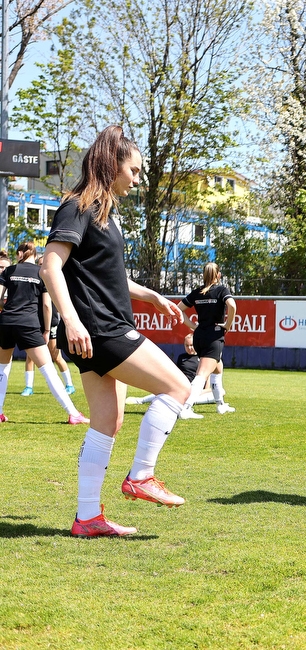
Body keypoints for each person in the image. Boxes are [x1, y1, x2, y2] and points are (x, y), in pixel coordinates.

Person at [41, 125, 192, 538]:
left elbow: (107, 277)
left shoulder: (107, 214)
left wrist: (151, 297)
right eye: (135, 171)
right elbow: (50, 264)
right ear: (112, 165)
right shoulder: (78, 206)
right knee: (179, 388)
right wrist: (70, 320)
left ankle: (87, 516)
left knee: (107, 422)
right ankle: (141, 476)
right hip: (100, 329)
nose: (138, 179)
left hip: (99, 329)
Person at [0, 241, 88, 424]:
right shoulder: (41, 273)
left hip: (6, 322)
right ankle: (73, 413)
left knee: (2, 369)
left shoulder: (9, 271)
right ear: (35, 254)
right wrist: (47, 329)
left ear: (20, 254)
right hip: (28, 324)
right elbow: (47, 305)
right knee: (48, 370)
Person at [177, 262, 236, 418]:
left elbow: (178, 309)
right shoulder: (222, 290)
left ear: (204, 275)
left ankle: (221, 405)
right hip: (214, 336)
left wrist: (193, 326)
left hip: (200, 335)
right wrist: (228, 325)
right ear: (218, 275)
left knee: (218, 367)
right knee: (202, 373)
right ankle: (186, 408)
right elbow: (232, 305)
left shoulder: (197, 293)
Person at [21, 255, 77, 397]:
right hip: (35, 321)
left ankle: (69, 384)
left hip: (50, 323)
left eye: (43, 263)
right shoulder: (35, 280)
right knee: (30, 356)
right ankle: (28, 387)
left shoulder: (54, 282)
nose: (42, 266)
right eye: (40, 264)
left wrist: (48, 327)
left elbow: (49, 306)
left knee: (55, 355)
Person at [126, 337, 229, 406]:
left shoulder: (203, 358)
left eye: (192, 345)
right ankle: (141, 400)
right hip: (182, 386)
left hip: (198, 390)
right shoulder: (181, 357)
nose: (189, 348)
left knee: (222, 392)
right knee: (168, 391)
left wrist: (201, 391)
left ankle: (189, 400)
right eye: (187, 345)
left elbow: (207, 380)